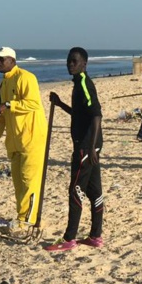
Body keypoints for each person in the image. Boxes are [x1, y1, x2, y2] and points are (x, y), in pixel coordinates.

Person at [0, 47, 47, 229]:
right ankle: (22, 216)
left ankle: (28, 220)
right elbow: (0, 120)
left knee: (29, 181)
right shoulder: (1, 86)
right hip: (14, 141)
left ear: (12, 60)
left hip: (32, 139)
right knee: (18, 183)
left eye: (1, 59)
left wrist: (8, 104)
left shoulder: (26, 77)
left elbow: (33, 103)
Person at [45, 47, 104, 252]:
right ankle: (96, 236)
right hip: (90, 145)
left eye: (75, 61)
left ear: (84, 64)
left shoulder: (84, 84)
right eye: (69, 61)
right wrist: (60, 104)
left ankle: (69, 238)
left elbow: (96, 114)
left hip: (86, 147)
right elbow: (81, 114)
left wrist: (91, 146)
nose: (71, 64)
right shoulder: (79, 84)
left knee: (75, 190)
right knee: (94, 190)